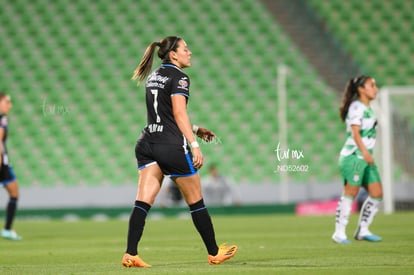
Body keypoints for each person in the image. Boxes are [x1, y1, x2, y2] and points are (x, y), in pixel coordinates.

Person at [121, 36, 237, 267]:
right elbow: (178, 113)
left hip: (146, 143)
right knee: (196, 201)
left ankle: (130, 253)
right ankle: (214, 252)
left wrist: (195, 128)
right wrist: (194, 144)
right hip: (171, 146)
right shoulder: (180, 77)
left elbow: (162, 114)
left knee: (142, 201)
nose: (190, 52)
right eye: (185, 48)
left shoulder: (154, 75)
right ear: (173, 54)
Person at [332, 75, 383, 244]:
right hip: (354, 156)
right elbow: (355, 133)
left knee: (377, 193)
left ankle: (363, 229)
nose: (375, 88)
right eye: (371, 85)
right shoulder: (357, 107)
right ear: (361, 89)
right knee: (350, 192)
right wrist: (365, 153)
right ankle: (339, 232)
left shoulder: (370, 108)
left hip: (365, 156)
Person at [0, 93, 21, 241]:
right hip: (2, 163)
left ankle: (7, 230)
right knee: (14, 193)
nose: (10, 105)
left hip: (4, 163)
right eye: (7, 102)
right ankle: (7, 230)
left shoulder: (3, 119)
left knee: (14, 192)